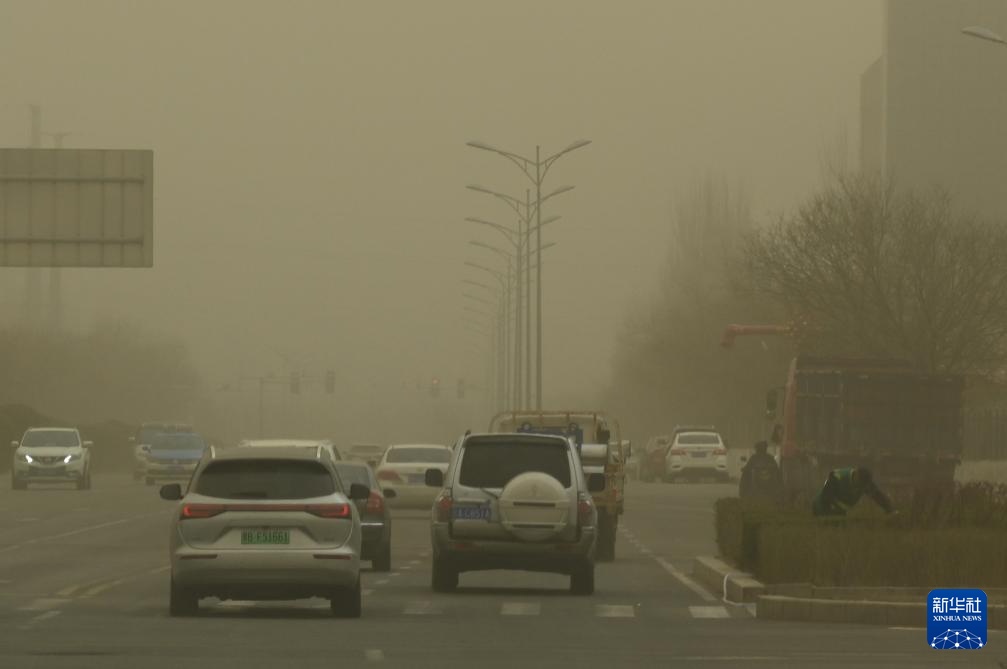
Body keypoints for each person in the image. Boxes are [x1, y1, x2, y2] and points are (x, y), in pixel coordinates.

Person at [811, 467, 895, 517]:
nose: (860, 488)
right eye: (860, 484)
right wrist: (836, 512)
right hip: (821, 506)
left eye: (863, 486)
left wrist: (890, 510)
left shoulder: (865, 483)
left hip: (840, 510)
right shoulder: (837, 477)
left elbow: (877, 495)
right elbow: (826, 496)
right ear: (856, 475)